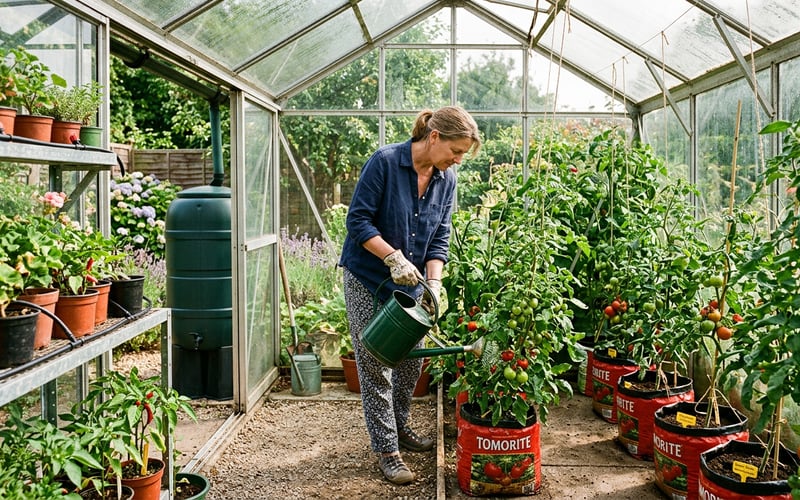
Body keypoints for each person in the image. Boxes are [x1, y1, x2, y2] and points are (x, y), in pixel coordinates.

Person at [339, 106, 481, 485]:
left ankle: (400, 427)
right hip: (368, 276)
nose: (458, 160)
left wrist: (433, 284)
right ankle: (387, 450)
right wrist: (392, 257)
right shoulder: (384, 162)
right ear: (434, 137)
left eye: (463, 154)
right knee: (375, 360)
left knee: (409, 361)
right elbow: (358, 221)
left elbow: (440, 237)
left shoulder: (445, 180)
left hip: (414, 282)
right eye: (457, 150)